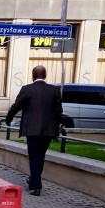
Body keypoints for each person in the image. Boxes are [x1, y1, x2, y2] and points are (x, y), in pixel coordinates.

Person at [4, 65, 63, 196]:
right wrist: (56, 128)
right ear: (45, 75)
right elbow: (59, 111)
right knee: (40, 156)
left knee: (34, 157)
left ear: (33, 76)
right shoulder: (54, 90)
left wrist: (8, 119)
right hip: (48, 130)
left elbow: (16, 106)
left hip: (32, 129)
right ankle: (33, 180)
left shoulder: (27, 89)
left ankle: (36, 186)